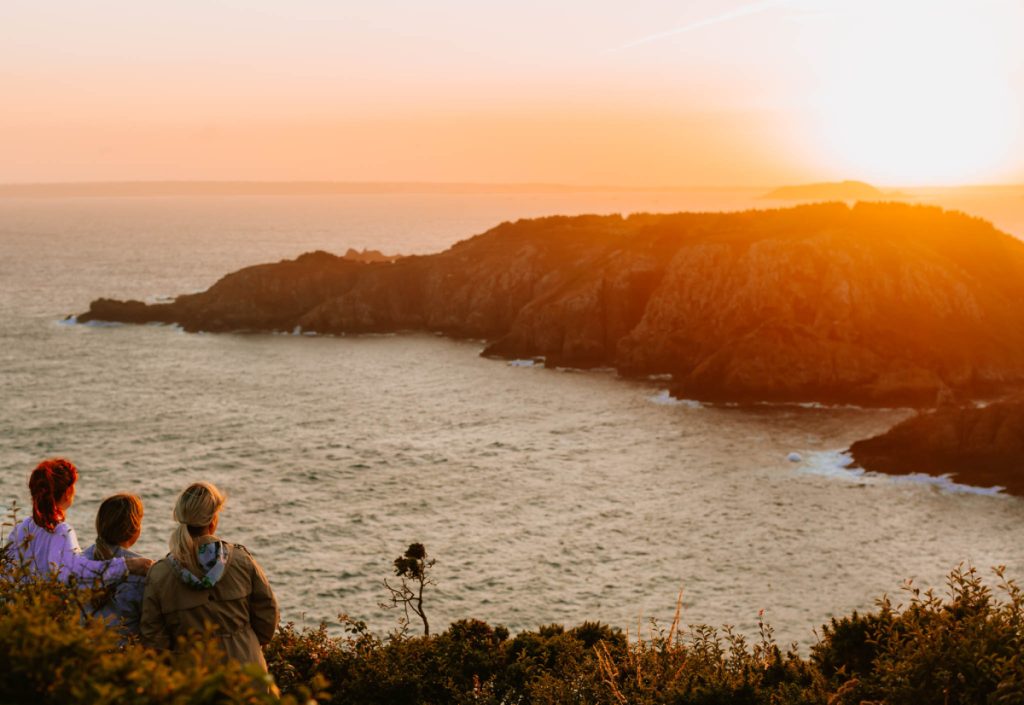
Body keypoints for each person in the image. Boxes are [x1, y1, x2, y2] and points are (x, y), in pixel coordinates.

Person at [140, 482, 278, 671]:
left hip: (194, 677)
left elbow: (153, 635)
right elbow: (267, 612)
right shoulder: (242, 560)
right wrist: (248, 642)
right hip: (248, 669)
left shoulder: (160, 574)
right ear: (213, 520)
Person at [4, 458, 153, 585]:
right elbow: (74, 572)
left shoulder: (20, 528)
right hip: (45, 612)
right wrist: (128, 565)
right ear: (68, 493)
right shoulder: (60, 530)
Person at [82, 494, 149, 639]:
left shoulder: (79, 561)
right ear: (135, 528)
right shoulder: (143, 570)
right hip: (122, 655)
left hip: (81, 648)